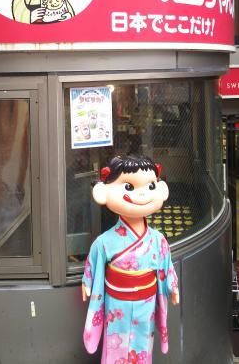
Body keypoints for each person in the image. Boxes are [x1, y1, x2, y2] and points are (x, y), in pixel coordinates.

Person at [82, 155, 179, 364]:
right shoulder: (105, 241)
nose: (142, 194)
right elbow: (95, 261)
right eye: (129, 187)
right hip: (117, 304)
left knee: (143, 344)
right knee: (115, 343)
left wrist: (172, 286)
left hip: (146, 304)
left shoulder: (157, 239)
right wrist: (87, 281)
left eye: (150, 186)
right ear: (103, 192)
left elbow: (166, 265)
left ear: (161, 189)